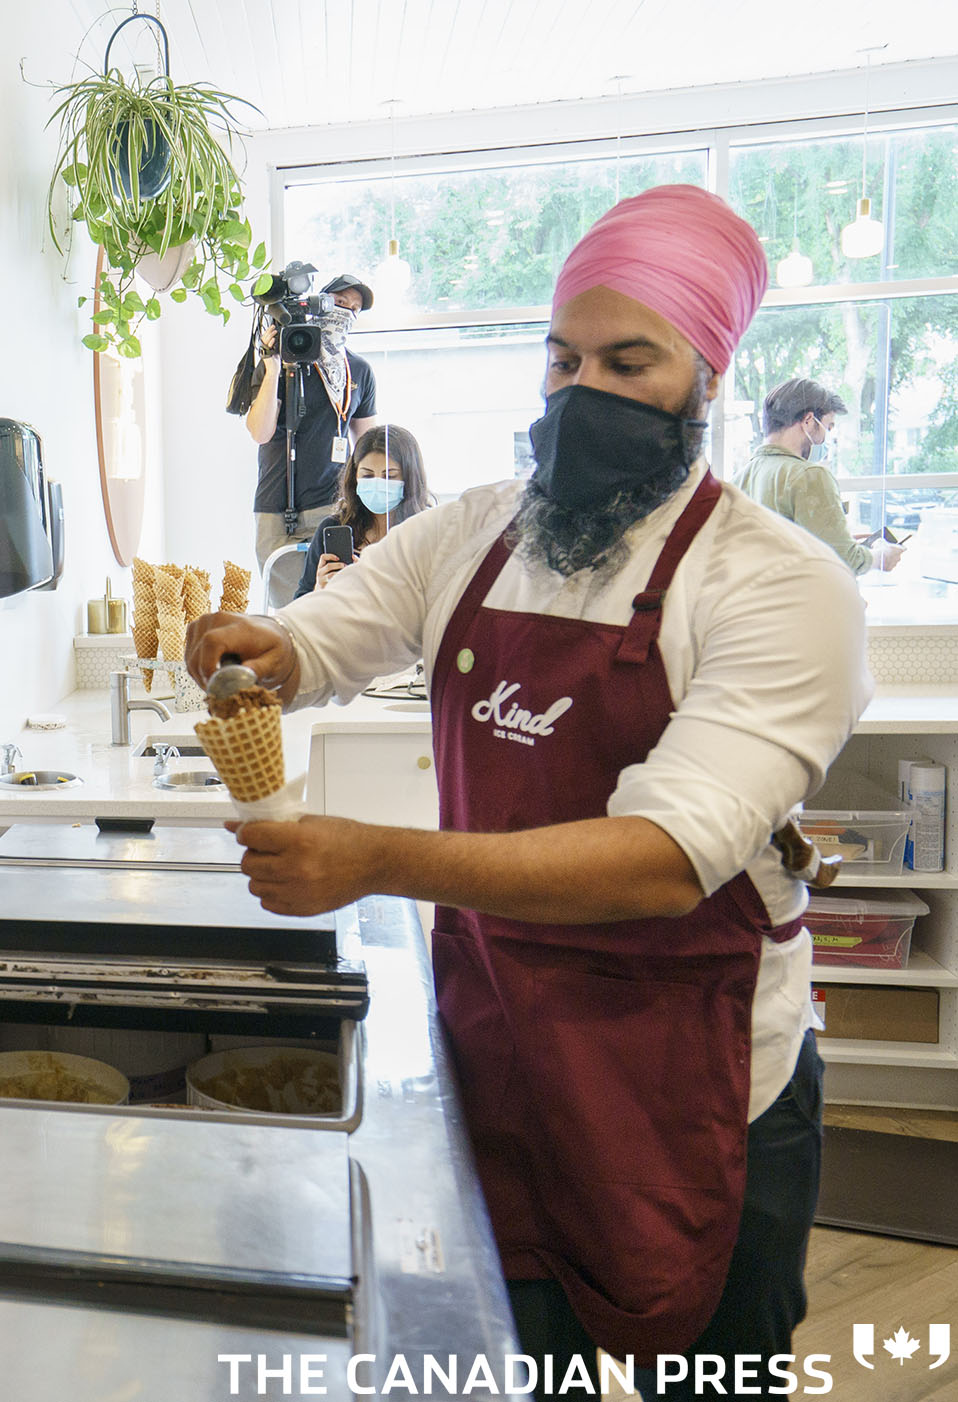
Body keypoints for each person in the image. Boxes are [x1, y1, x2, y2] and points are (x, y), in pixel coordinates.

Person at [188, 185, 870, 1397]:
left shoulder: (777, 584)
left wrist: (380, 859)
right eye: (561, 359)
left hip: (691, 1073)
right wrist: (259, 648)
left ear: (707, 377)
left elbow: (664, 856)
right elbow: (327, 636)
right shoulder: (473, 533)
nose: (580, 394)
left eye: (627, 360)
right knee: (513, 1363)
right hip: (497, 1046)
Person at [241, 273, 382, 565]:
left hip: (334, 505)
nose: (346, 312)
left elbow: (371, 446)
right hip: (275, 504)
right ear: (320, 303)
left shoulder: (359, 371)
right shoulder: (281, 358)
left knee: (329, 600)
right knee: (283, 604)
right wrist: (272, 366)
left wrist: (370, 508)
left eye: (354, 309)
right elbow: (259, 432)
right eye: (340, 302)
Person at [738, 377, 902, 575]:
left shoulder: (739, 478)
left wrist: (838, 538)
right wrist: (881, 557)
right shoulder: (809, 476)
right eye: (829, 427)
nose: (828, 437)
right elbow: (843, 560)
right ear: (808, 421)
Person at [294, 424, 433, 599]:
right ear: (355, 477)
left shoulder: (427, 532)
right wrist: (319, 590)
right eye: (367, 476)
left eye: (389, 476)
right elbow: (299, 606)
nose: (377, 483)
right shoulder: (334, 527)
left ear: (409, 477)